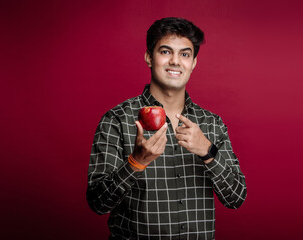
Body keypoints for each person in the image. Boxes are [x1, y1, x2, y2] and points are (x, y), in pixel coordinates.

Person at [87, 17, 247, 240]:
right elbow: (98, 203)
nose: (175, 61)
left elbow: (236, 198)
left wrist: (208, 152)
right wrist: (136, 162)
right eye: (165, 51)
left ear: (193, 63)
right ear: (149, 57)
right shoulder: (117, 119)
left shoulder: (211, 124)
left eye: (184, 54)